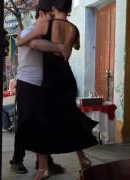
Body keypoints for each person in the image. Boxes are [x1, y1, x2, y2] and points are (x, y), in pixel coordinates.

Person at [16, 0, 98, 179]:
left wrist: (20, 40)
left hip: (51, 80)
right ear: (69, 9)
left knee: (41, 122)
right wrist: (63, 45)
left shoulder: (47, 24)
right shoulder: (74, 28)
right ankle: (83, 160)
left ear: (53, 8)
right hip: (66, 78)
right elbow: (74, 49)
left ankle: (43, 168)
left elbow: (33, 43)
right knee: (69, 119)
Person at [10, 1, 68, 175]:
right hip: (27, 83)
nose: (53, 19)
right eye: (51, 16)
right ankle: (17, 160)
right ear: (42, 14)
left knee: (45, 124)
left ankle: (44, 162)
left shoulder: (46, 34)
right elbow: (35, 45)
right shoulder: (28, 32)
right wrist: (59, 46)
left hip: (45, 85)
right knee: (25, 122)